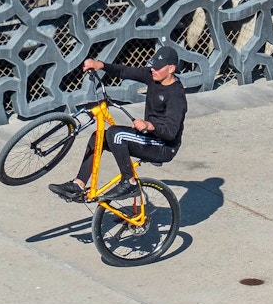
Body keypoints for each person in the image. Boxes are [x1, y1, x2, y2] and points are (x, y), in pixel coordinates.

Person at [48, 45, 187, 202]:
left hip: (163, 146)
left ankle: (129, 182)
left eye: (158, 67)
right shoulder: (153, 77)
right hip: (148, 137)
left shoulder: (176, 96)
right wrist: (100, 65)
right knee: (98, 138)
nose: (153, 69)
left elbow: (171, 132)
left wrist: (149, 126)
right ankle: (79, 185)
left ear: (171, 69)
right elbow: (125, 71)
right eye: (152, 65)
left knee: (116, 134)